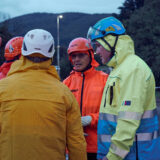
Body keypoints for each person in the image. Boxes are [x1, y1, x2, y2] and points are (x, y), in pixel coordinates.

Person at [0, 29, 87, 160]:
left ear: (23, 53)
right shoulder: (64, 93)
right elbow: (76, 142)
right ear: (51, 55)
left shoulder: (3, 89)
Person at [87, 16, 160, 160]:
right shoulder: (120, 69)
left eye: (99, 46)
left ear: (110, 42)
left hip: (134, 155)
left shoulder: (133, 69)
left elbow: (128, 120)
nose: (97, 52)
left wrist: (113, 156)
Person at [63, 37, 108, 160]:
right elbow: (58, 115)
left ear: (90, 55)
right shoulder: (66, 84)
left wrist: (91, 119)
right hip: (73, 148)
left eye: (81, 55)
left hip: (98, 147)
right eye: (73, 56)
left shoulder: (105, 80)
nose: (76, 59)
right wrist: (71, 127)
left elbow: (113, 113)